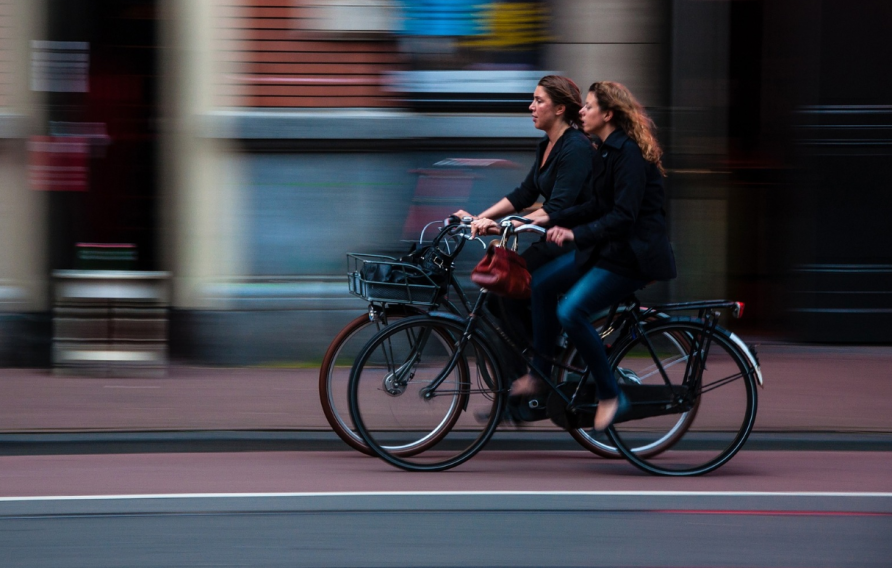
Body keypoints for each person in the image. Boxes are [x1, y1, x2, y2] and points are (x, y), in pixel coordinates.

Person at [517, 81, 677, 431]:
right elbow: (595, 205)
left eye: (588, 107)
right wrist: (551, 218)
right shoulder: (605, 150)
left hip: (633, 257)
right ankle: (541, 373)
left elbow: (623, 216)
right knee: (541, 284)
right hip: (609, 250)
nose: (581, 112)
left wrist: (575, 233)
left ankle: (611, 395)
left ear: (608, 114)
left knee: (571, 312)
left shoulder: (629, 153)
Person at [454, 75, 593, 273]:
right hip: (552, 238)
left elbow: (558, 207)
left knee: (509, 290)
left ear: (560, 109)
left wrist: (506, 225)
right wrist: (477, 219)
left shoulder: (576, 147)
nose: (531, 107)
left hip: (576, 244)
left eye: (539, 101)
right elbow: (524, 194)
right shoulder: (546, 144)